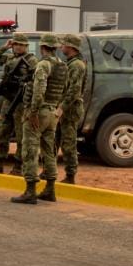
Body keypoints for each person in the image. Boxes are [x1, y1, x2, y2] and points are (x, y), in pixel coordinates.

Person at [11, 33, 67, 204]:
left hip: (39, 112)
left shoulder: (43, 64)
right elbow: (66, 89)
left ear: (43, 47)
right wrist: (58, 108)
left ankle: (30, 191)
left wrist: (33, 112)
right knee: (49, 151)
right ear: (55, 47)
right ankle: (50, 189)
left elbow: (39, 88)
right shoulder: (62, 65)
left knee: (30, 150)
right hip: (52, 113)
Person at [0, 32, 37, 174]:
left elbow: (36, 78)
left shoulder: (31, 60)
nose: (18, 47)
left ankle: (18, 165)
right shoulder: (9, 57)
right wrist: (4, 46)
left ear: (26, 46)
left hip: (21, 101)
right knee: (3, 130)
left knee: (21, 134)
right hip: (9, 100)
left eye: (21, 45)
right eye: (15, 44)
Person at [55, 33, 86, 184]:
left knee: (68, 142)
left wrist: (62, 107)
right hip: (65, 107)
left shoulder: (77, 65)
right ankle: (49, 171)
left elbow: (74, 90)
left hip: (70, 109)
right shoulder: (70, 63)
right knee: (55, 139)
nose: (61, 47)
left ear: (71, 47)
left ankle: (70, 175)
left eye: (63, 44)